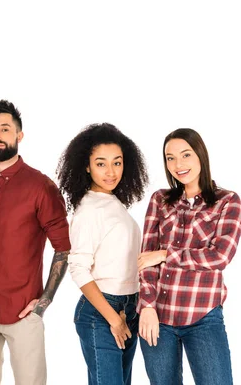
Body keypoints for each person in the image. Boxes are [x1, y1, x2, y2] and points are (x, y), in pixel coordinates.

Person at [0, 100, 71, 385]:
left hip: (23, 312)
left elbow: (63, 248)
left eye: (4, 129)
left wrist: (43, 303)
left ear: (19, 135)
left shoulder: (41, 186)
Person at [137, 128, 241, 385]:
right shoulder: (160, 200)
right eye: (170, 158)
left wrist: (165, 254)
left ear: (200, 156)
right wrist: (147, 306)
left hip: (203, 317)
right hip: (157, 319)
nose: (178, 164)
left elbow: (220, 256)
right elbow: (145, 260)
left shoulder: (227, 201)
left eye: (185, 155)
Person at [56, 123, 148, 385]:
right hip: (101, 313)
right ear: (86, 166)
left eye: (117, 163)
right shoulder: (89, 209)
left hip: (128, 307)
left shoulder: (114, 203)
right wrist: (113, 318)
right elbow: (77, 268)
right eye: (101, 163)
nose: (111, 172)